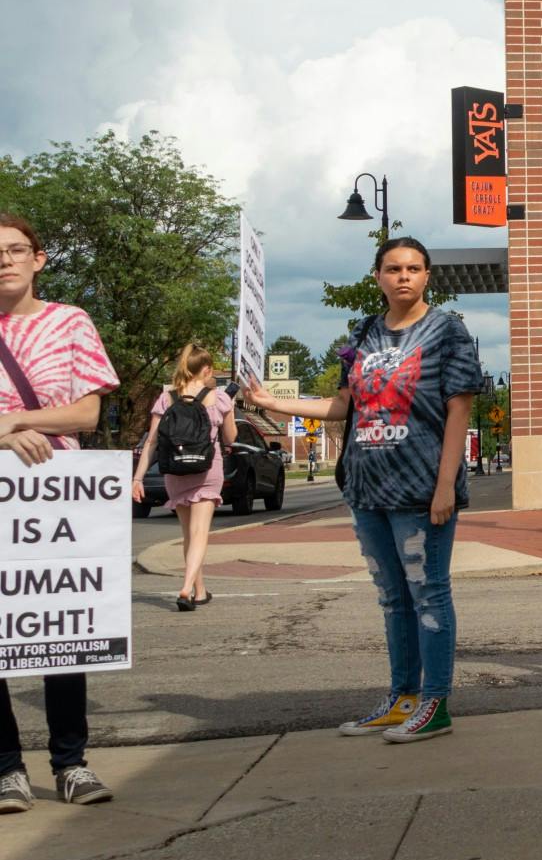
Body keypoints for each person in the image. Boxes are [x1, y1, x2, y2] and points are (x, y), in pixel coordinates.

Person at [243, 236, 482, 744]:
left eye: (414, 269)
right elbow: (342, 406)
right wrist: (272, 403)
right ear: (377, 276)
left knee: (428, 594)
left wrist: (446, 486)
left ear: (427, 277)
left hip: (421, 488)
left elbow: (460, 409)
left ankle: (436, 702)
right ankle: (403, 698)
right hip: (367, 486)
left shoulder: (447, 332)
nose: (403, 277)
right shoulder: (364, 332)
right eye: (393, 268)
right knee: (393, 599)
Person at [0, 213, 120, 811]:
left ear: (38, 259)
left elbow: (85, 416)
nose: (5, 260)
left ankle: (70, 763)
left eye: (16, 249)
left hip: (57, 494)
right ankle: (6, 769)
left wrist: (16, 422)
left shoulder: (70, 322)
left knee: (60, 629)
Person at [131, 343, 239, 610]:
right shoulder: (219, 398)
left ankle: (199, 591)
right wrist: (231, 409)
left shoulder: (166, 398)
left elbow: (152, 442)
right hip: (206, 468)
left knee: (188, 535)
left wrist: (137, 478)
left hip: (175, 470)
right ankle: (186, 587)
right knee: (200, 533)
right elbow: (231, 438)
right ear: (206, 369)